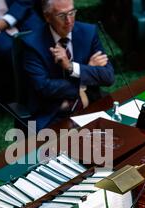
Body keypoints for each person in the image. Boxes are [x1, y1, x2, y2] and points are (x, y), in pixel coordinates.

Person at [22, 0, 114, 130]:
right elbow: (43, 88)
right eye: (61, 15)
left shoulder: (88, 32)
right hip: (55, 112)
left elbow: (108, 77)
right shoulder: (32, 44)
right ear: (47, 16)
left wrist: (72, 67)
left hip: (90, 104)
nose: (69, 20)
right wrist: (84, 77)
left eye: (72, 12)